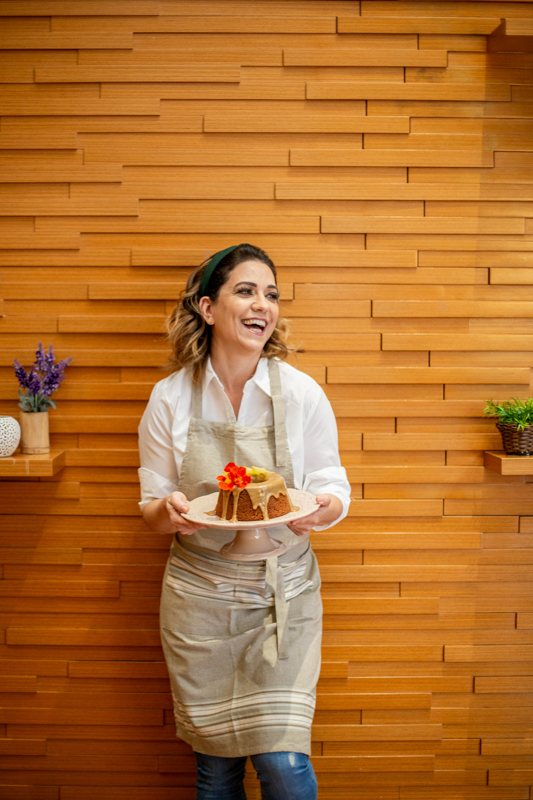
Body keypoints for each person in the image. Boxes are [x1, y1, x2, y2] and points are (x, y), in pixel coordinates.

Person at [138, 243, 351, 800]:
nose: (264, 304)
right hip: (198, 601)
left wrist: (323, 510)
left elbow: (332, 484)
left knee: (282, 762)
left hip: (282, 596)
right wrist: (173, 514)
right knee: (216, 770)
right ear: (208, 309)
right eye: (246, 290)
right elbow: (153, 506)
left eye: (272, 294)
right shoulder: (169, 398)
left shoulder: (302, 393)